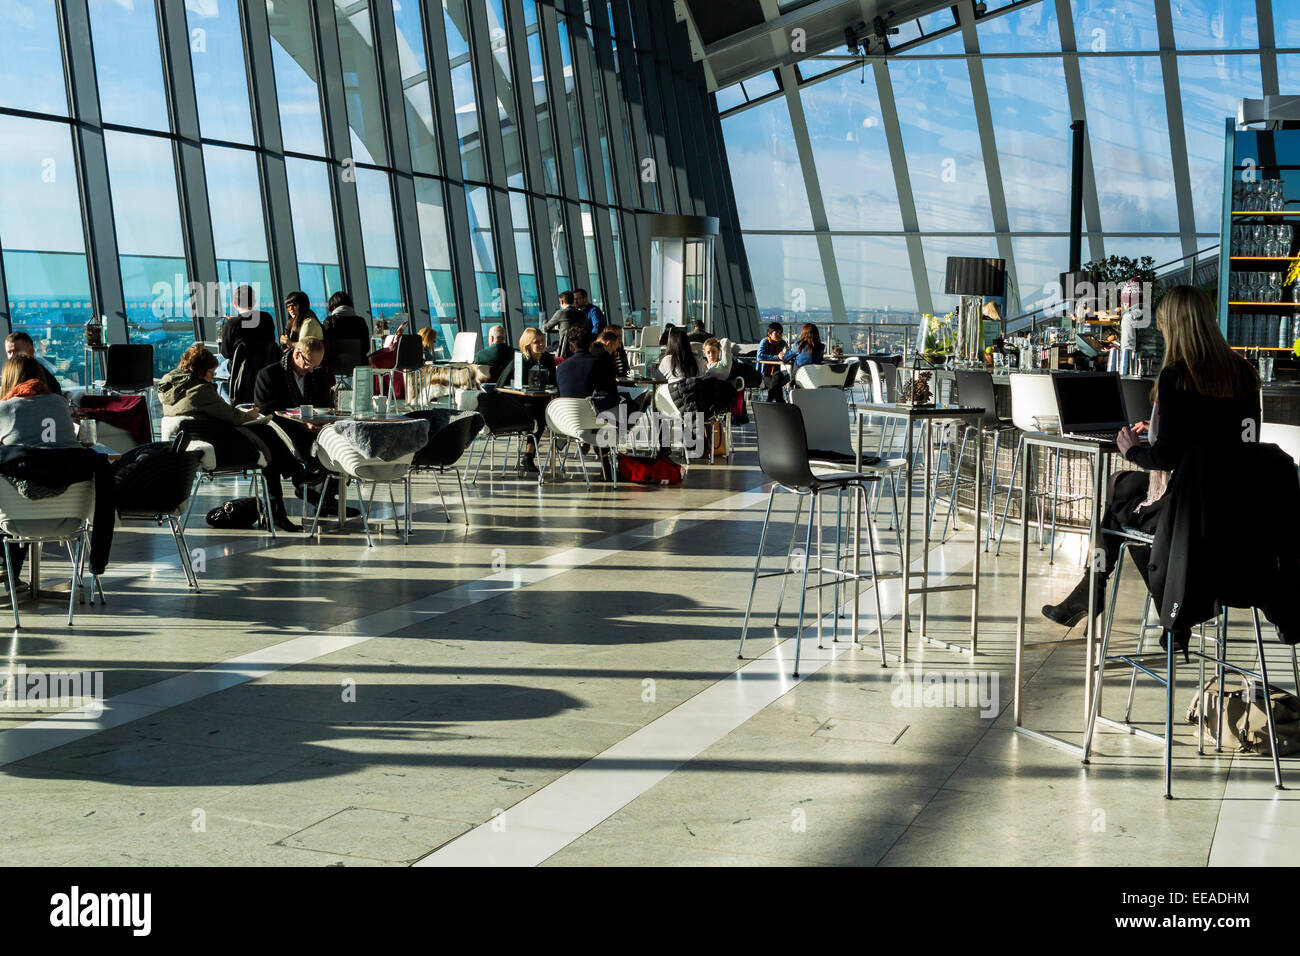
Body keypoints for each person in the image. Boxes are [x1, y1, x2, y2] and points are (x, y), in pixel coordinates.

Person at [1040, 286, 1262, 654]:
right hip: (1234, 515)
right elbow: (1219, 441)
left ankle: (1112, 595)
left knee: (1118, 496)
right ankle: (1165, 615)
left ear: (1175, 326)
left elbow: (1165, 460)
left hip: (1188, 516)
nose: (1160, 331)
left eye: (1162, 325)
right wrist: (1161, 428)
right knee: (1126, 494)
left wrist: (1130, 448)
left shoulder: (1178, 377)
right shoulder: (1243, 373)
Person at [158, 344, 306, 531]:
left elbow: (217, 413)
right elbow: (231, 416)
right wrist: (250, 416)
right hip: (222, 447)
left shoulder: (173, 388)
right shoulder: (199, 390)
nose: (212, 376)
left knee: (268, 447)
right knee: (266, 436)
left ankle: (285, 499)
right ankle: (295, 478)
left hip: (202, 441)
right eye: (211, 372)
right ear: (201, 370)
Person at [497, 327, 556, 473]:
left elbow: (554, 383)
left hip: (541, 401)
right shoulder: (519, 361)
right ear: (528, 345)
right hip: (517, 405)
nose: (541, 344)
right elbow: (500, 387)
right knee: (540, 414)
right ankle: (528, 456)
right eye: (537, 342)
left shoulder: (548, 359)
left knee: (543, 411)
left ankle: (529, 456)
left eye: (543, 341)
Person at [253, 337, 333, 416]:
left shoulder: (316, 374)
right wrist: (300, 425)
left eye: (316, 366)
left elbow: (323, 406)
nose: (311, 370)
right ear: (297, 355)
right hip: (283, 427)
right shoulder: (269, 376)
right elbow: (265, 412)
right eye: (308, 365)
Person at [556, 325, 619, 413]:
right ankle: (624, 426)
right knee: (622, 402)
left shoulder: (561, 368)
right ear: (591, 345)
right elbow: (612, 392)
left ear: (571, 348)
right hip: (592, 416)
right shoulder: (601, 364)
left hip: (567, 417)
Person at [323, 290, 371, 360]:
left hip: (337, 366)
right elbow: (366, 348)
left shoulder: (329, 321)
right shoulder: (361, 321)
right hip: (359, 365)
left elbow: (326, 347)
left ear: (333, 307)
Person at [543, 291, 586, 357]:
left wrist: (544, 322)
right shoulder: (582, 314)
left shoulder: (561, 313)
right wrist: (561, 329)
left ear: (562, 302)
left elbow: (546, 328)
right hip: (580, 348)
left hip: (565, 349)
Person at [756, 321, 788, 402]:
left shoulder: (782, 343)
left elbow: (788, 354)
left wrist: (786, 356)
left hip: (779, 373)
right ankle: (780, 404)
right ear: (769, 334)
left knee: (777, 377)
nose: (779, 335)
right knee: (776, 387)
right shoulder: (765, 342)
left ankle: (769, 402)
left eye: (780, 333)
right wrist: (777, 357)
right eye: (776, 333)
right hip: (766, 374)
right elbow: (760, 356)